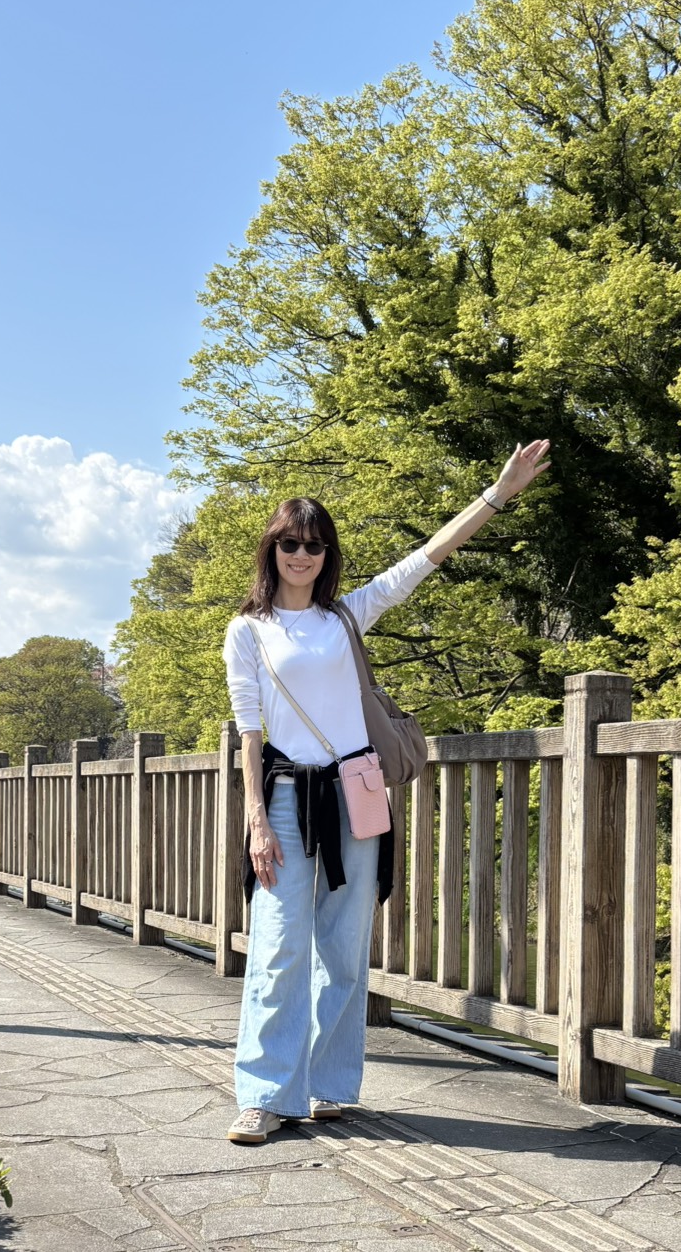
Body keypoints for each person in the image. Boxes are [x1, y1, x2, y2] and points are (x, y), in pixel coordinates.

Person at [220, 440, 552, 1144]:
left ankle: (331, 1087)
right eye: (288, 544)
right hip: (285, 798)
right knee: (279, 946)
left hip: (357, 793)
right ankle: (263, 1095)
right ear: (271, 550)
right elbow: (249, 731)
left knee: (344, 949)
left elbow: (423, 562)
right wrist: (255, 816)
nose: (300, 556)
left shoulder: (346, 618)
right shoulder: (248, 630)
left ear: (326, 552)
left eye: (312, 545)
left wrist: (498, 494)